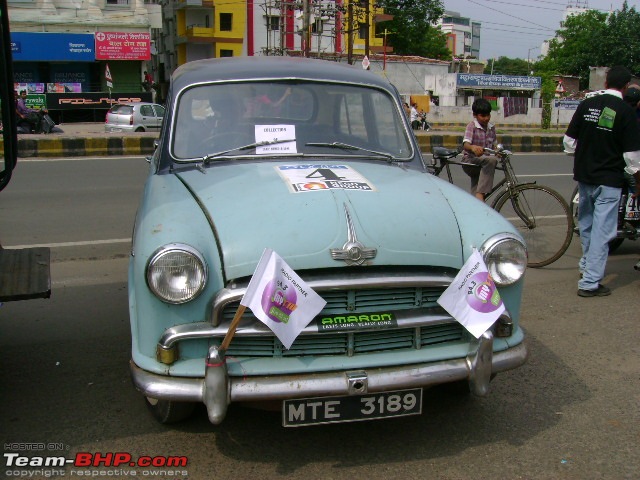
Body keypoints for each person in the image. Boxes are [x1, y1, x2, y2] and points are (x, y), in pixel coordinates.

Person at [563, 65, 640, 297]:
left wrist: (589, 151)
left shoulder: (586, 105)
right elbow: (632, 159)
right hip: (610, 180)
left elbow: (568, 143)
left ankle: (586, 268)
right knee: (602, 232)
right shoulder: (625, 112)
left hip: (585, 177)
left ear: (605, 82)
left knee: (586, 225)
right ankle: (589, 283)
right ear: (626, 86)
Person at [461, 98, 497, 201]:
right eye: (483, 116)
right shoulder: (471, 126)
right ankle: (481, 194)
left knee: (475, 191)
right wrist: (472, 147)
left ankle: (475, 206)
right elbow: (466, 144)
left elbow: (494, 144)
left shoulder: (491, 128)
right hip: (470, 161)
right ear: (475, 115)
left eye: (488, 115)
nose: (486, 118)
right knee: (491, 160)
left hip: (483, 163)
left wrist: (498, 152)